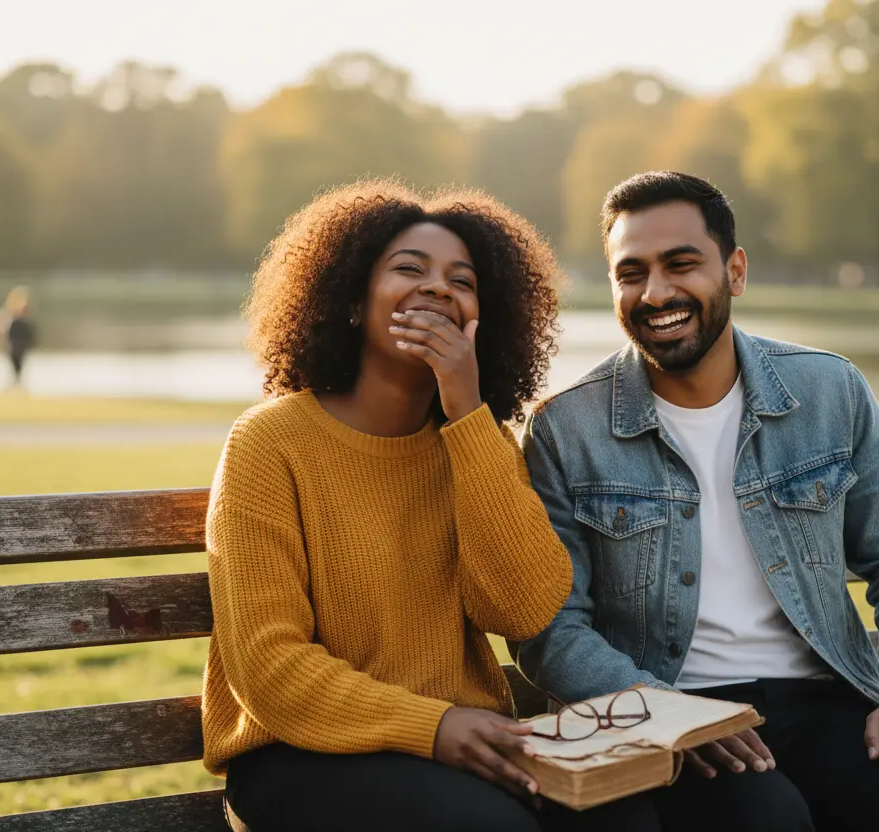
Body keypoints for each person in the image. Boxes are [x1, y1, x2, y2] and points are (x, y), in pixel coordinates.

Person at [514, 172, 879, 831]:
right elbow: (552, 628)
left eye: (681, 264)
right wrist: (666, 715)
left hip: (829, 706)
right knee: (767, 820)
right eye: (630, 272)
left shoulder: (829, 390)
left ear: (736, 270)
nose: (656, 292)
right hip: (671, 715)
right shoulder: (564, 429)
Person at [203, 181, 593, 831]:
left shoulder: (479, 441)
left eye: (461, 281)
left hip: (460, 745)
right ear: (352, 303)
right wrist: (433, 727)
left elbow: (523, 607)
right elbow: (269, 669)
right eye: (410, 269)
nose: (439, 288)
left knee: (623, 813)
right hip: (301, 757)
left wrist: (467, 411)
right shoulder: (269, 443)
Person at [0, 285, 36, 386]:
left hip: (20, 344)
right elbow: (2, 329)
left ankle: (16, 383)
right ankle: (15, 383)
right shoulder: (10, 317)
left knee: (18, 366)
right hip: (14, 344)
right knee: (15, 366)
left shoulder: (22, 319)